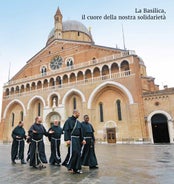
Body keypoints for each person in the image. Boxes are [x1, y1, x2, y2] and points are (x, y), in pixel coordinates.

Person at [63, 109, 86, 174]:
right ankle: (70, 167)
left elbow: (81, 132)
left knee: (78, 153)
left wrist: (83, 139)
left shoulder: (78, 122)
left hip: (78, 140)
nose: (79, 115)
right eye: (78, 113)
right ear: (75, 113)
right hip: (72, 139)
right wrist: (67, 139)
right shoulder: (68, 121)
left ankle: (77, 168)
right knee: (73, 153)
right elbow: (66, 131)